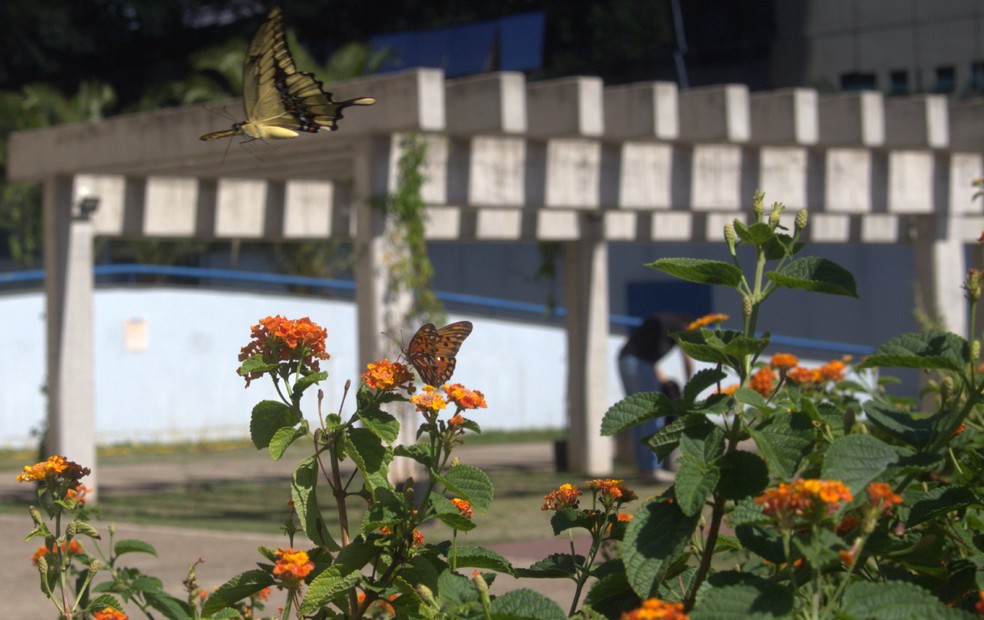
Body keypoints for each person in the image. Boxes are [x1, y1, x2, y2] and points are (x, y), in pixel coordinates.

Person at [617, 313, 693, 482]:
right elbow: (687, 359)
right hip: (639, 364)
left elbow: (651, 360)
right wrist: (690, 389)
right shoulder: (680, 326)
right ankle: (652, 468)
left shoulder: (666, 323)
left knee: (638, 417)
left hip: (625, 361)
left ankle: (644, 469)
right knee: (653, 414)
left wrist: (663, 381)